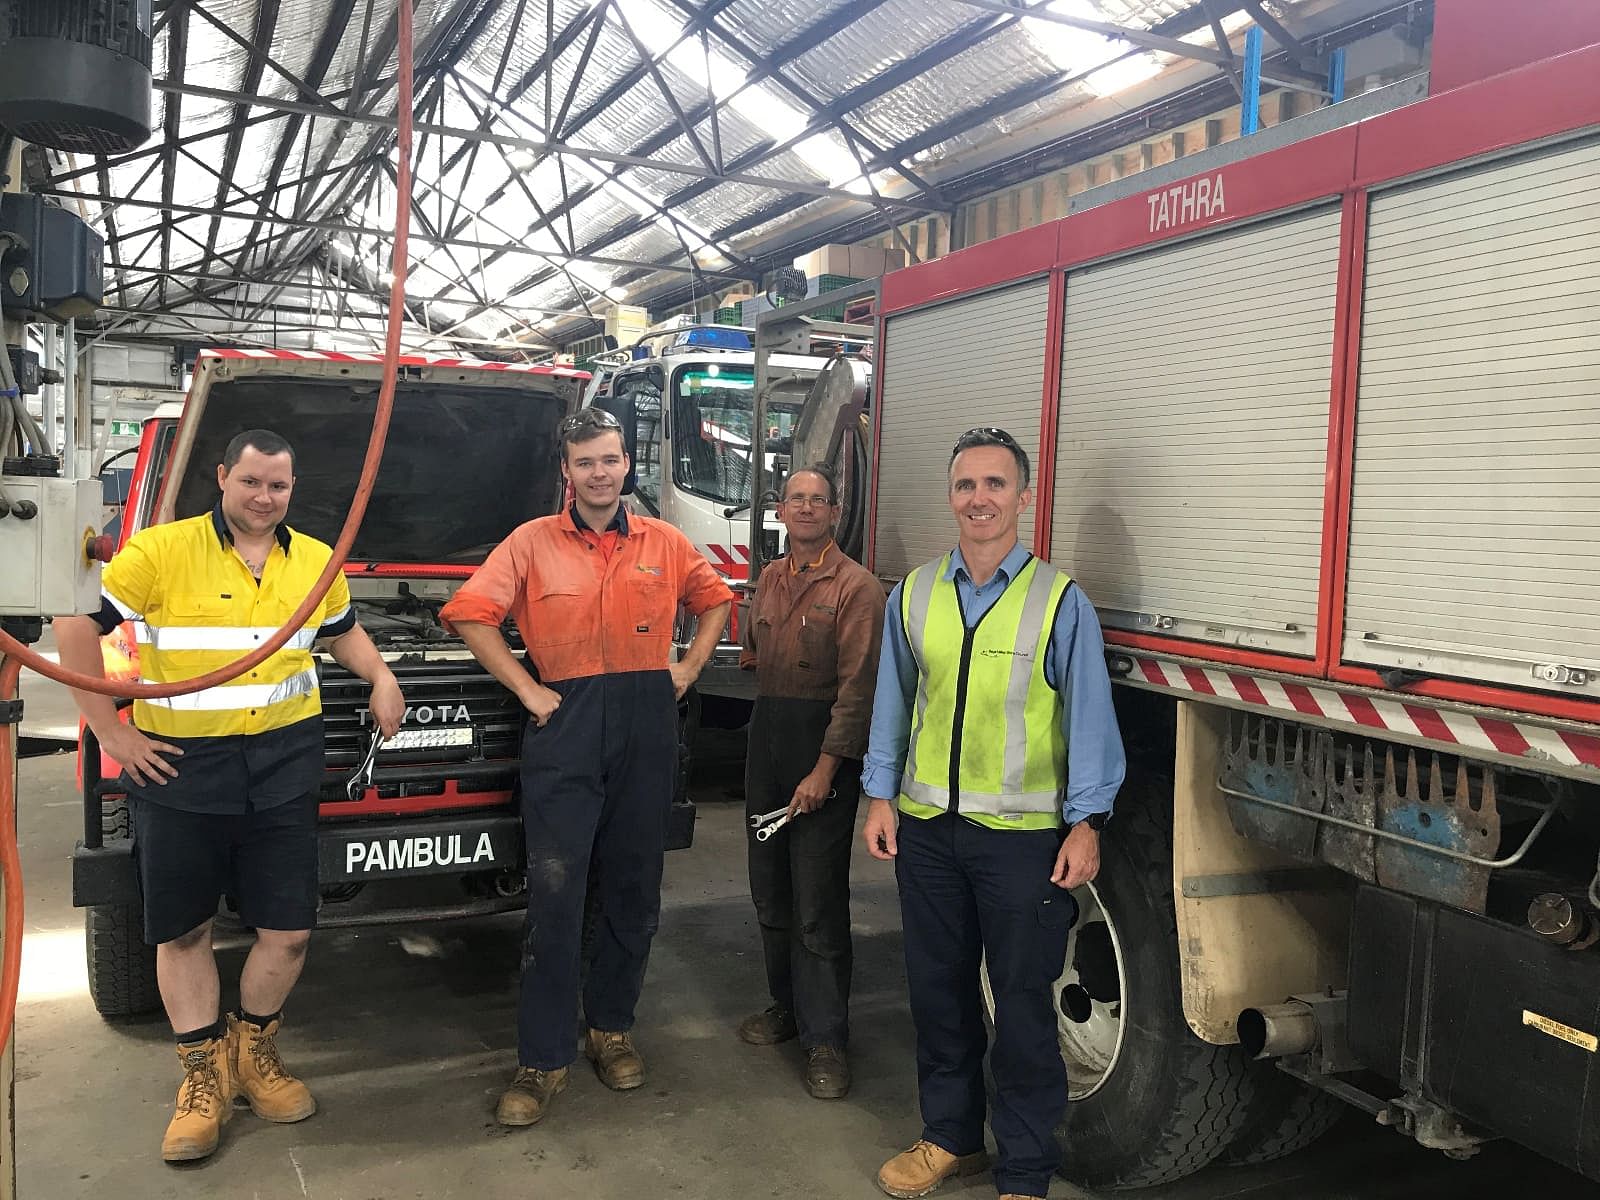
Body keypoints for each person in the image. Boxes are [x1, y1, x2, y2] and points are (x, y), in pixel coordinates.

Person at [55, 429, 405, 1164]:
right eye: (250, 482)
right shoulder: (158, 550)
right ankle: (201, 1078)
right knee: (183, 930)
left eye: (277, 486)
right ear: (222, 477)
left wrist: (380, 675)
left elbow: (341, 632)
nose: (263, 497)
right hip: (181, 769)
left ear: (291, 489)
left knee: (289, 930)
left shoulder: (315, 560)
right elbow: (74, 626)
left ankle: (254, 1054)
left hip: (283, 766)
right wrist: (110, 734)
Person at [439, 407, 733, 1128]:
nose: (599, 473)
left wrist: (688, 667)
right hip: (565, 725)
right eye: (584, 463)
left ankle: (612, 1029)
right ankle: (542, 1060)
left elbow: (717, 600)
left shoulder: (664, 542)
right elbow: (471, 613)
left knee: (634, 888)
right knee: (556, 893)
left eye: (609, 459)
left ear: (626, 463)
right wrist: (530, 689)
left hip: (645, 723)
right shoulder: (531, 543)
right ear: (566, 473)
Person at [861, 427, 1126, 1200]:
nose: (980, 499)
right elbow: (893, 703)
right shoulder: (913, 594)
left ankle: (1024, 1169)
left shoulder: (1057, 601)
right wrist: (880, 795)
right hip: (927, 833)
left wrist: (1088, 822)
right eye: (966, 485)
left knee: (1021, 1009)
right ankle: (949, 1136)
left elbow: (1089, 720)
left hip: (1021, 842)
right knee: (938, 992)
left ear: (1024, 496)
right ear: (951, 496)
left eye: (995, 485)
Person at [737, 465, 884, 1099]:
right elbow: (751, 655)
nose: (804, 508)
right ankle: (788, 1009)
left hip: (820, 746)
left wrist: (826, 768)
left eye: (816, 500)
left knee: (817, 899)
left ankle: (826, 1038)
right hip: (766, 737)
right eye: (794, 498)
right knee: (770, 889)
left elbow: (857, 691)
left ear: (834, 510)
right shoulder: (768, 579)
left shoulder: (856, 588)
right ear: (780, 508)